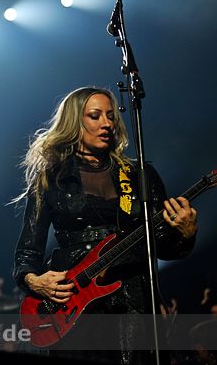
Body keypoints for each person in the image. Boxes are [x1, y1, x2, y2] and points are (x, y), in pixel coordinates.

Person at [12, 86, 199, 358]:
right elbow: (27, 252)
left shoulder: (138, 174)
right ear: (75, 122)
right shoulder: (50, 178)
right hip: (73, 304)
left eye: (111, 116)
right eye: (95, 116)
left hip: (133, 300)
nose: (107, 123)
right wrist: (34, 280)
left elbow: (162, 247)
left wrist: (185, 234)